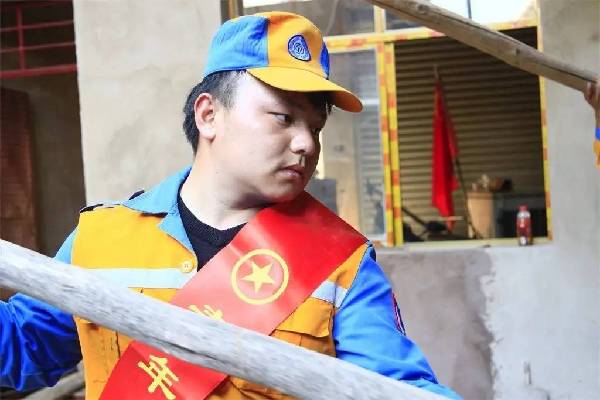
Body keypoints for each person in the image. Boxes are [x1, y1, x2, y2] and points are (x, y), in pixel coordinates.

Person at [4, 11, 467, 400]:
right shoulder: (102, 238)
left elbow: (397, 389)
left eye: (315, 127)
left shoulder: (341, 263)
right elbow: (21, 348)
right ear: (209, 115)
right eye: (284, 117)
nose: (306, 143)